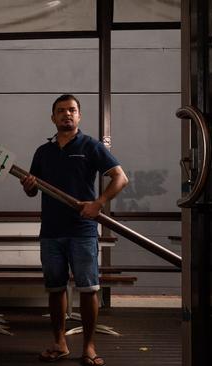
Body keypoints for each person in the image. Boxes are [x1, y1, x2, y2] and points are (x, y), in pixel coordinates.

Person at [20, 94, 128, 366]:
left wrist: (98, 203)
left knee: (89, 288)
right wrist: (29, 186)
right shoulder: (42, 152)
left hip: (82, 230)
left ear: (79, 116)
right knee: (55, 289)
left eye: (72, 110)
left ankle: (89, 347)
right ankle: (60, 344)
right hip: (51, 232)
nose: (66, 115)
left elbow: (120, 178)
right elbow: (33, 191)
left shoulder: (90, 146)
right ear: (53, 117)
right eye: (61, 111)